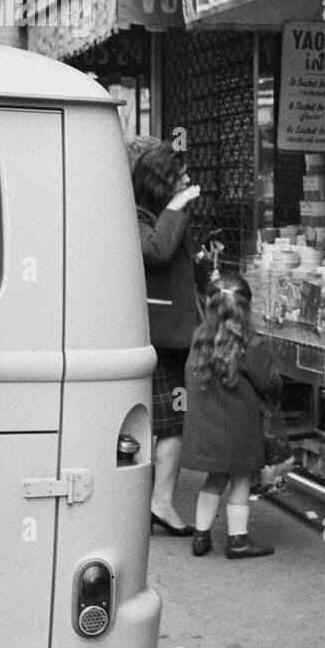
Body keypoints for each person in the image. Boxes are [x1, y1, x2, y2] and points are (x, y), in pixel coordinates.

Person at [183, 273, 289, 560]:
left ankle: (201, 536)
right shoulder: (251, 344)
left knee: (214, 478)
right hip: (240, 428)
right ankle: (238, 540)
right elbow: (268, 383)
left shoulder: (199, 339)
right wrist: (278, 388)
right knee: (241, 479)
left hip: (207, 427)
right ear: (247, 307)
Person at [132, 141, 201, 536]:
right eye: (180, 176)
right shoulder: (139, 217)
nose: (188, 181)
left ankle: (154, 502)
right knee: (170, 426)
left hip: (167, 337)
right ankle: (160, 504)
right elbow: (156, 252)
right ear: (162, 183)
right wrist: (177, 209)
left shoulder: (153, 214)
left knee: (167, 424)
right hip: (158, 339)